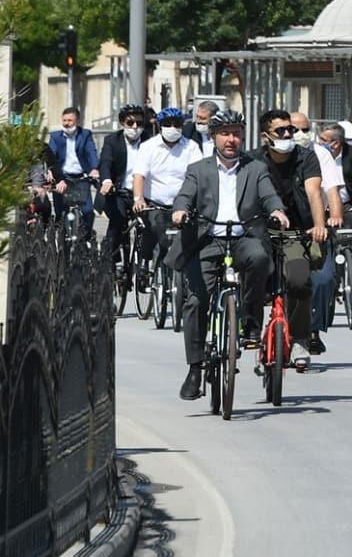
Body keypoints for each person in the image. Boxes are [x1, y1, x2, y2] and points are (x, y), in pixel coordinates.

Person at [169, 110, 290, 400]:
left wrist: (277, 210)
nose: (231, 139)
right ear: (213, 137)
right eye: (225, 133)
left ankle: (250, 320)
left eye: (236, 133)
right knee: (196, 300)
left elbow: (268, 194)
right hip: (207, 239)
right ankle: (195, 368)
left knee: (260, 258)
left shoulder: (255, 168)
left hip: (243, 236)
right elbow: (186, 194)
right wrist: (180, 210)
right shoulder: (199, 169)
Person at [250, 110, 338, 370]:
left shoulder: (306, 157)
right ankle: (250, 330)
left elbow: (313, 192)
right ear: (266, 136)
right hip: (260, 231)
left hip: (296, 232)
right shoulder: (253, 161)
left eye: (291, 129)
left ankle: (300, 338)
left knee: (299, 280)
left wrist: (319, 225)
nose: (289, 135)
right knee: (249, 273)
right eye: (281, 131)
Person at [290, 111, 346, 354]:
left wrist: (334, 217)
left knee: (322, 279)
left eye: (304, 129)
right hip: (286, 233)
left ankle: (312, 330)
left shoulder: (320, 154)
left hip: (315, 229)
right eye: (294, 129)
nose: (299, 135)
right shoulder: (273, 156)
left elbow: (331, 190)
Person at [133, 108, 203, 275]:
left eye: (176, 124)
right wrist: (138, 199)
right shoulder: (148, 147)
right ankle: (145, 261)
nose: (172, 128)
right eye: (167, 124)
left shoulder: (191, 147)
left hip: (183, 204)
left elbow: (199, 176)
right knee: (153, 230)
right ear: (160, 125)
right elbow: (139, 175)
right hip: (156, 203)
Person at [98, 104, 152, 266]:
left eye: (139, 123)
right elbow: (105, 163)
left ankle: (145, 264)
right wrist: (107, 181)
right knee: (117, 224)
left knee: (150, 226)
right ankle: (110, 261)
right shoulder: (112, 141)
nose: (135, 127)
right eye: (130, 123)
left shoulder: (150, 141)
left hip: (143, 194)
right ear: (122, 123)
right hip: (119, 192)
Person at [48, 107, 100, 232]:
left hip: (81, 177)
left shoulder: (85, 134)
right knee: (61, 212)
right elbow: (50, 157)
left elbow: (91, 152)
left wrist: (94, 169)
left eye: (70, 120)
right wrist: (50, 171)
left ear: (77, 121)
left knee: (87, 212)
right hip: (62, 178)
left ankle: (86, 240)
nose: (66, 123)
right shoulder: (55, 137)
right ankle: (61, 240)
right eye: (64, 120)